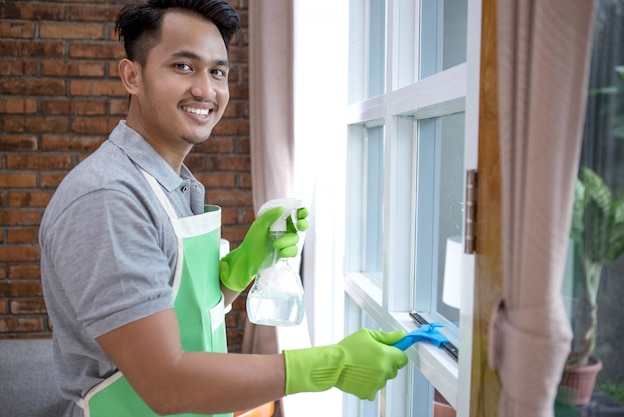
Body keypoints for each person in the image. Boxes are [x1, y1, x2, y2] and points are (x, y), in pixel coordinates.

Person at [39, 1, 409, 416]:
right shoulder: (109, 199)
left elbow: (179, 315)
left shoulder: (172, 183)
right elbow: (166, 383)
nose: (205, 89)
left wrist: (247, 265)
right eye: (183, 66)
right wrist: (328, 366)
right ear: (133, 76)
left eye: (217, 71)